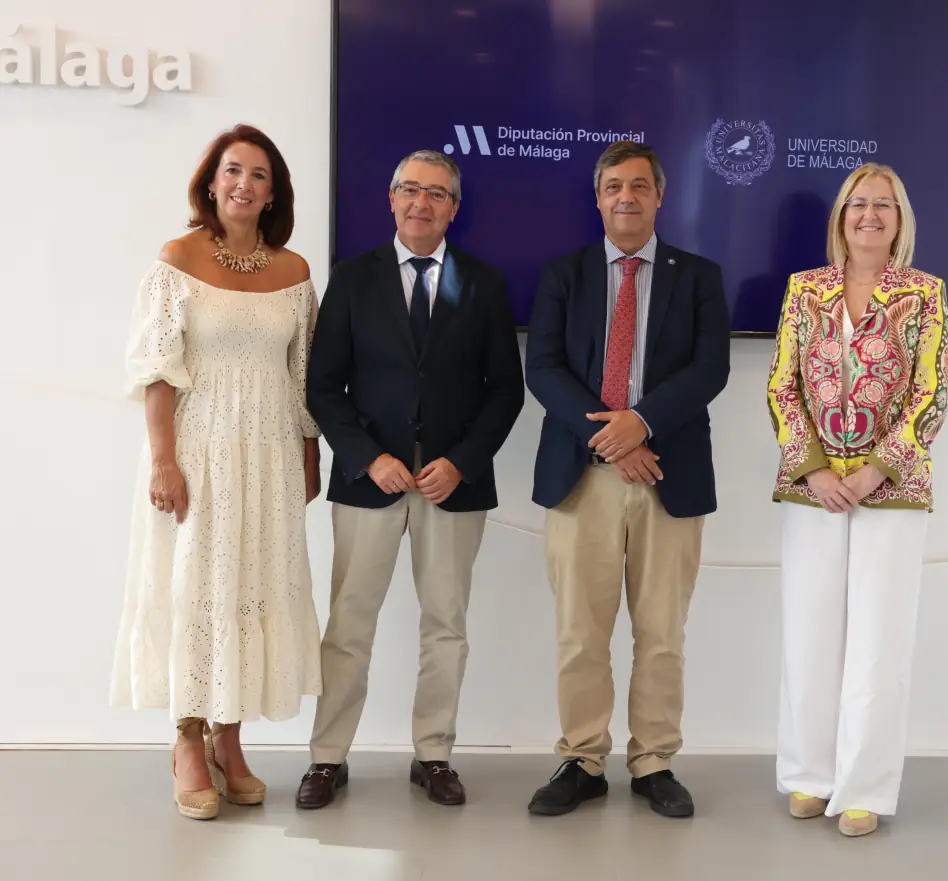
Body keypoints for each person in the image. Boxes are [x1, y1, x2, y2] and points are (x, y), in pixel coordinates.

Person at [295, 150, 524, 810]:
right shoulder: (353, 278)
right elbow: (323, 387)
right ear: (391, 199)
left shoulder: (484, 283)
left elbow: (505, 390)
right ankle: (327, 757)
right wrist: (369, 457)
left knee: (446, 623)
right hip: (370, 480)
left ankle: (434, 753)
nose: (422, 202)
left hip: (452, 484)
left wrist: (462, 460)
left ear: (455, 207)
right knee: (349, 624)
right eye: (411, 190)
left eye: (437, 193)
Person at [110, 124, 324, 821]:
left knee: (250, 585)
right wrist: (163, 460)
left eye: (259, 175)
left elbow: (304, 378)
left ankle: (229, 737)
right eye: (233, 170)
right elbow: (155, 371)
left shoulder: (294, 272)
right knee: (195, 589)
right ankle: (187, 740)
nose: (244, 184)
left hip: (270, 457)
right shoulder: (177, 260)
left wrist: (310, 455)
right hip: (198, 454)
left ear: (273, 193)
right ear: (211, 181)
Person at [524, 141, 731, 818]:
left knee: (662, 631)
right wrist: (612, 440)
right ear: (598, 197)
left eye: (640, 185)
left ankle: (654, 760)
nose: (626, 197)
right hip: (581, 477)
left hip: (668, 474)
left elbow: (710, 369)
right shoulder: (564, 273)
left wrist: (640, 423)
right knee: (580, 632)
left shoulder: (697, 276)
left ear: (659, 196)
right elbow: (543, 368)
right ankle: (582, 759)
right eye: (614, 185)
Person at [766, 162, 948, 837]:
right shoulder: (804, 288)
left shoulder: (925, 293)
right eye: (857, 204)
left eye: (883, 205)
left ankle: (863, 787)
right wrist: (815, 470)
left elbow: (931, 392)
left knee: (878, 638)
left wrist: (875, 471)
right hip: (812, 489)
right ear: (840, 216)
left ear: (900, 219)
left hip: (892, 489)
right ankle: (810, 776)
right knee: (810, 632)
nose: (869, 215)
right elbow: (782, 384)